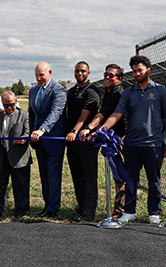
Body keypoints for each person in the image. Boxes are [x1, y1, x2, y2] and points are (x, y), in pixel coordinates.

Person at [96, 55, 166, 224]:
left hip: (154, 145)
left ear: (148, 70)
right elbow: (117, 113)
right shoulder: (129, 93)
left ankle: (154, 212)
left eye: (140, 70)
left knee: (154, 181)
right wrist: (103, 129)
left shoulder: (160, 91)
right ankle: (129, 211)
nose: (137, 74)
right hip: (131, 144)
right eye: (135, 71)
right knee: (131, 180)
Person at [79, 63, 127, 219]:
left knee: (120, 175)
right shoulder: (109, 91)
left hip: (119, 138)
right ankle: (119, 210)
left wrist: (89, 128)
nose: (107, 77)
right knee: (117, 174)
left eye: (111, 75)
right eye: (106, 74)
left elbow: (104, 113)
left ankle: (119, 212)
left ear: (119, 79)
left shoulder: (117, 93)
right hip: (112, 136)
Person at [28, 62, 67, 218]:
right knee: (44, 175)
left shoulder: (58, 90)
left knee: (53, 174)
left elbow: (55, 113)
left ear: (50, 72)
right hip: (39, 141)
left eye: (41, 75)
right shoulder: (33, 91)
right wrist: (31, 132)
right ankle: (47, 205)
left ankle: (53, 208)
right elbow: (31, 114)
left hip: (53, 139)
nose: (38, 78)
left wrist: (42, 129)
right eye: (36, 75)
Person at [65, 61, 101, 220]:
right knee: (76, 173)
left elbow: (85, 113)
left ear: (89, 73)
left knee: (88, 174)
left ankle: (89, 210)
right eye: (77, 71)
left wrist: (75, 130)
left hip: (86, 140)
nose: (80, 74)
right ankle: (81, 206)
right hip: (72, 141)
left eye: (83, 71)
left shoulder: (92, 91)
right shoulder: (71, 92)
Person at [0, 91, 32, 217]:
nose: (9, 108)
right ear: (2, 104)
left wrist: (23, 139)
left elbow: (27, 132)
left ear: (16, 102)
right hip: (0, 156)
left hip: (18, 156)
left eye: (12, 104)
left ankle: (21, 210)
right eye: (6, 105)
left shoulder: (24, 115)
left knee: (21, 185)